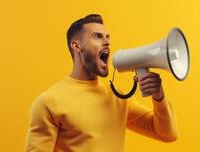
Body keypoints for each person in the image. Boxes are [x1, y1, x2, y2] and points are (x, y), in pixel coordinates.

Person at [24, 14, 178, 152]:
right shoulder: (49, 102)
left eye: (108, 37)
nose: (107, 42)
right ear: (77, 46)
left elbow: (167, 134)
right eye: (97, 37)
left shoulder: (118, 98)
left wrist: (158, 96)